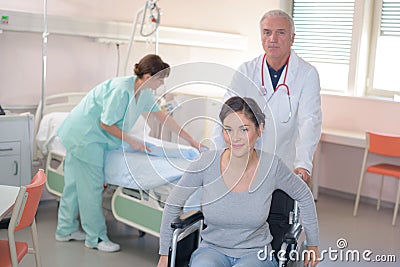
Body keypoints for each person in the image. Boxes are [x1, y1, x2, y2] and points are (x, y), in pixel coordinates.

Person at [55, 54, 202, 252]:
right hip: (85, 138)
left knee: (73, 185)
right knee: (91, 189)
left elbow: (163, 117)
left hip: (82, 134)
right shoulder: (121, 90)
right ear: (149, 76)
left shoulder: (145, 93)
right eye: (160, 79)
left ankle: (65, 230)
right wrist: (133, 141)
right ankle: (96, 238)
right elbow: (105, 124)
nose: (161, 84)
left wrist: (190, 139)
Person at [157, 96, 320, 267]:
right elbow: (173, 203)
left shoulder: (272, 167)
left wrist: (313, 244)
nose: (235, 138)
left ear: (259, 129)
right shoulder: (206, 163)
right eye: (228, 129)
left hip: (255, 254)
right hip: (211, 251)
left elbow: (304, 195)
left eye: (244, 130)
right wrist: (164, 254)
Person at [212, 9, 322, 183]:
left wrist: (303, 164)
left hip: (285, 163)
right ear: (261, 36)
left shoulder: (306, 74)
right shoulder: (246, 71)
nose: (273, 39)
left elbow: (309, 121)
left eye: (281, 33)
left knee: (280, 209)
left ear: (292, 38)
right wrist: (219, 155)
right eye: (267, 32)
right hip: (246, 162)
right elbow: (224, 113)